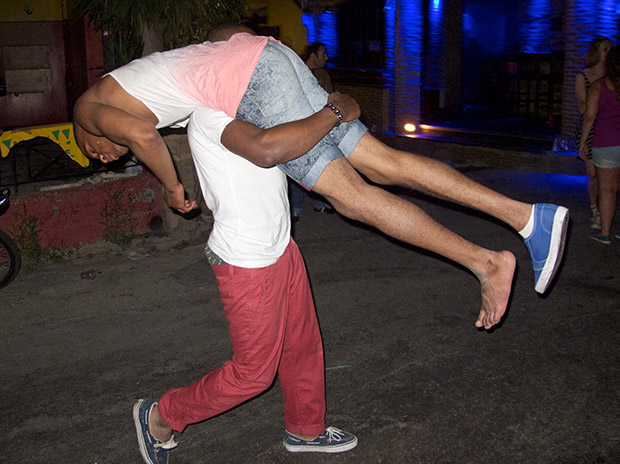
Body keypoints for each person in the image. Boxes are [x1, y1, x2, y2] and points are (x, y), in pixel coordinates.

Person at [73, 29, 569, 331]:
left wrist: (169, 186)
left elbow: (141, 134)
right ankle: (528, 217)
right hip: (269, 61)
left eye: (101, 157)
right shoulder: (143, 82)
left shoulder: (90, 110)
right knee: (383, 163)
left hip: (254, 81)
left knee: (351, 198)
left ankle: (485, 263)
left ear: (87, 141)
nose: (107, 157)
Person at [133, 106, 357, 463]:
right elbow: (269, 148)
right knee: (253, 374)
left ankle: (305, 429)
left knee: (302, 346)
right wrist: (332, 111)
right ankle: (162, 416)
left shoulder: (249, 104)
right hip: (247, 261)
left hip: (281, 246)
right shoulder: (212, 113)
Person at [289, 41, 335, 219]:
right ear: (312, 55)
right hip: (297, 124)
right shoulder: (295, 71)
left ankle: (320, 202)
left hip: (318, 126)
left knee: (319, 165)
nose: (327, 57)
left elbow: (327, 100)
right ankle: (295, 206)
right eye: (322, 53)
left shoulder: (323, 75)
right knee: (294, 165)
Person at [580, 45, 620, 244]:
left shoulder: (599, 86)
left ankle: (605, 232)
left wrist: (583, 141)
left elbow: (589, 116)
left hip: (605, 142)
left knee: (606, 189)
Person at [575, 36, 612, 230]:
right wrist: (596, 98)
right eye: (606, 49)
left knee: (607, 173)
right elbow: (582, 107)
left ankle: (605, 209)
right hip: (591, 128)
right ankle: (595, 209)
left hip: (609, 126)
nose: (609, 52)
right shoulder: (583, 76)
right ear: (596, 51)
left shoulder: (612, 76)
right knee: (593, 173)